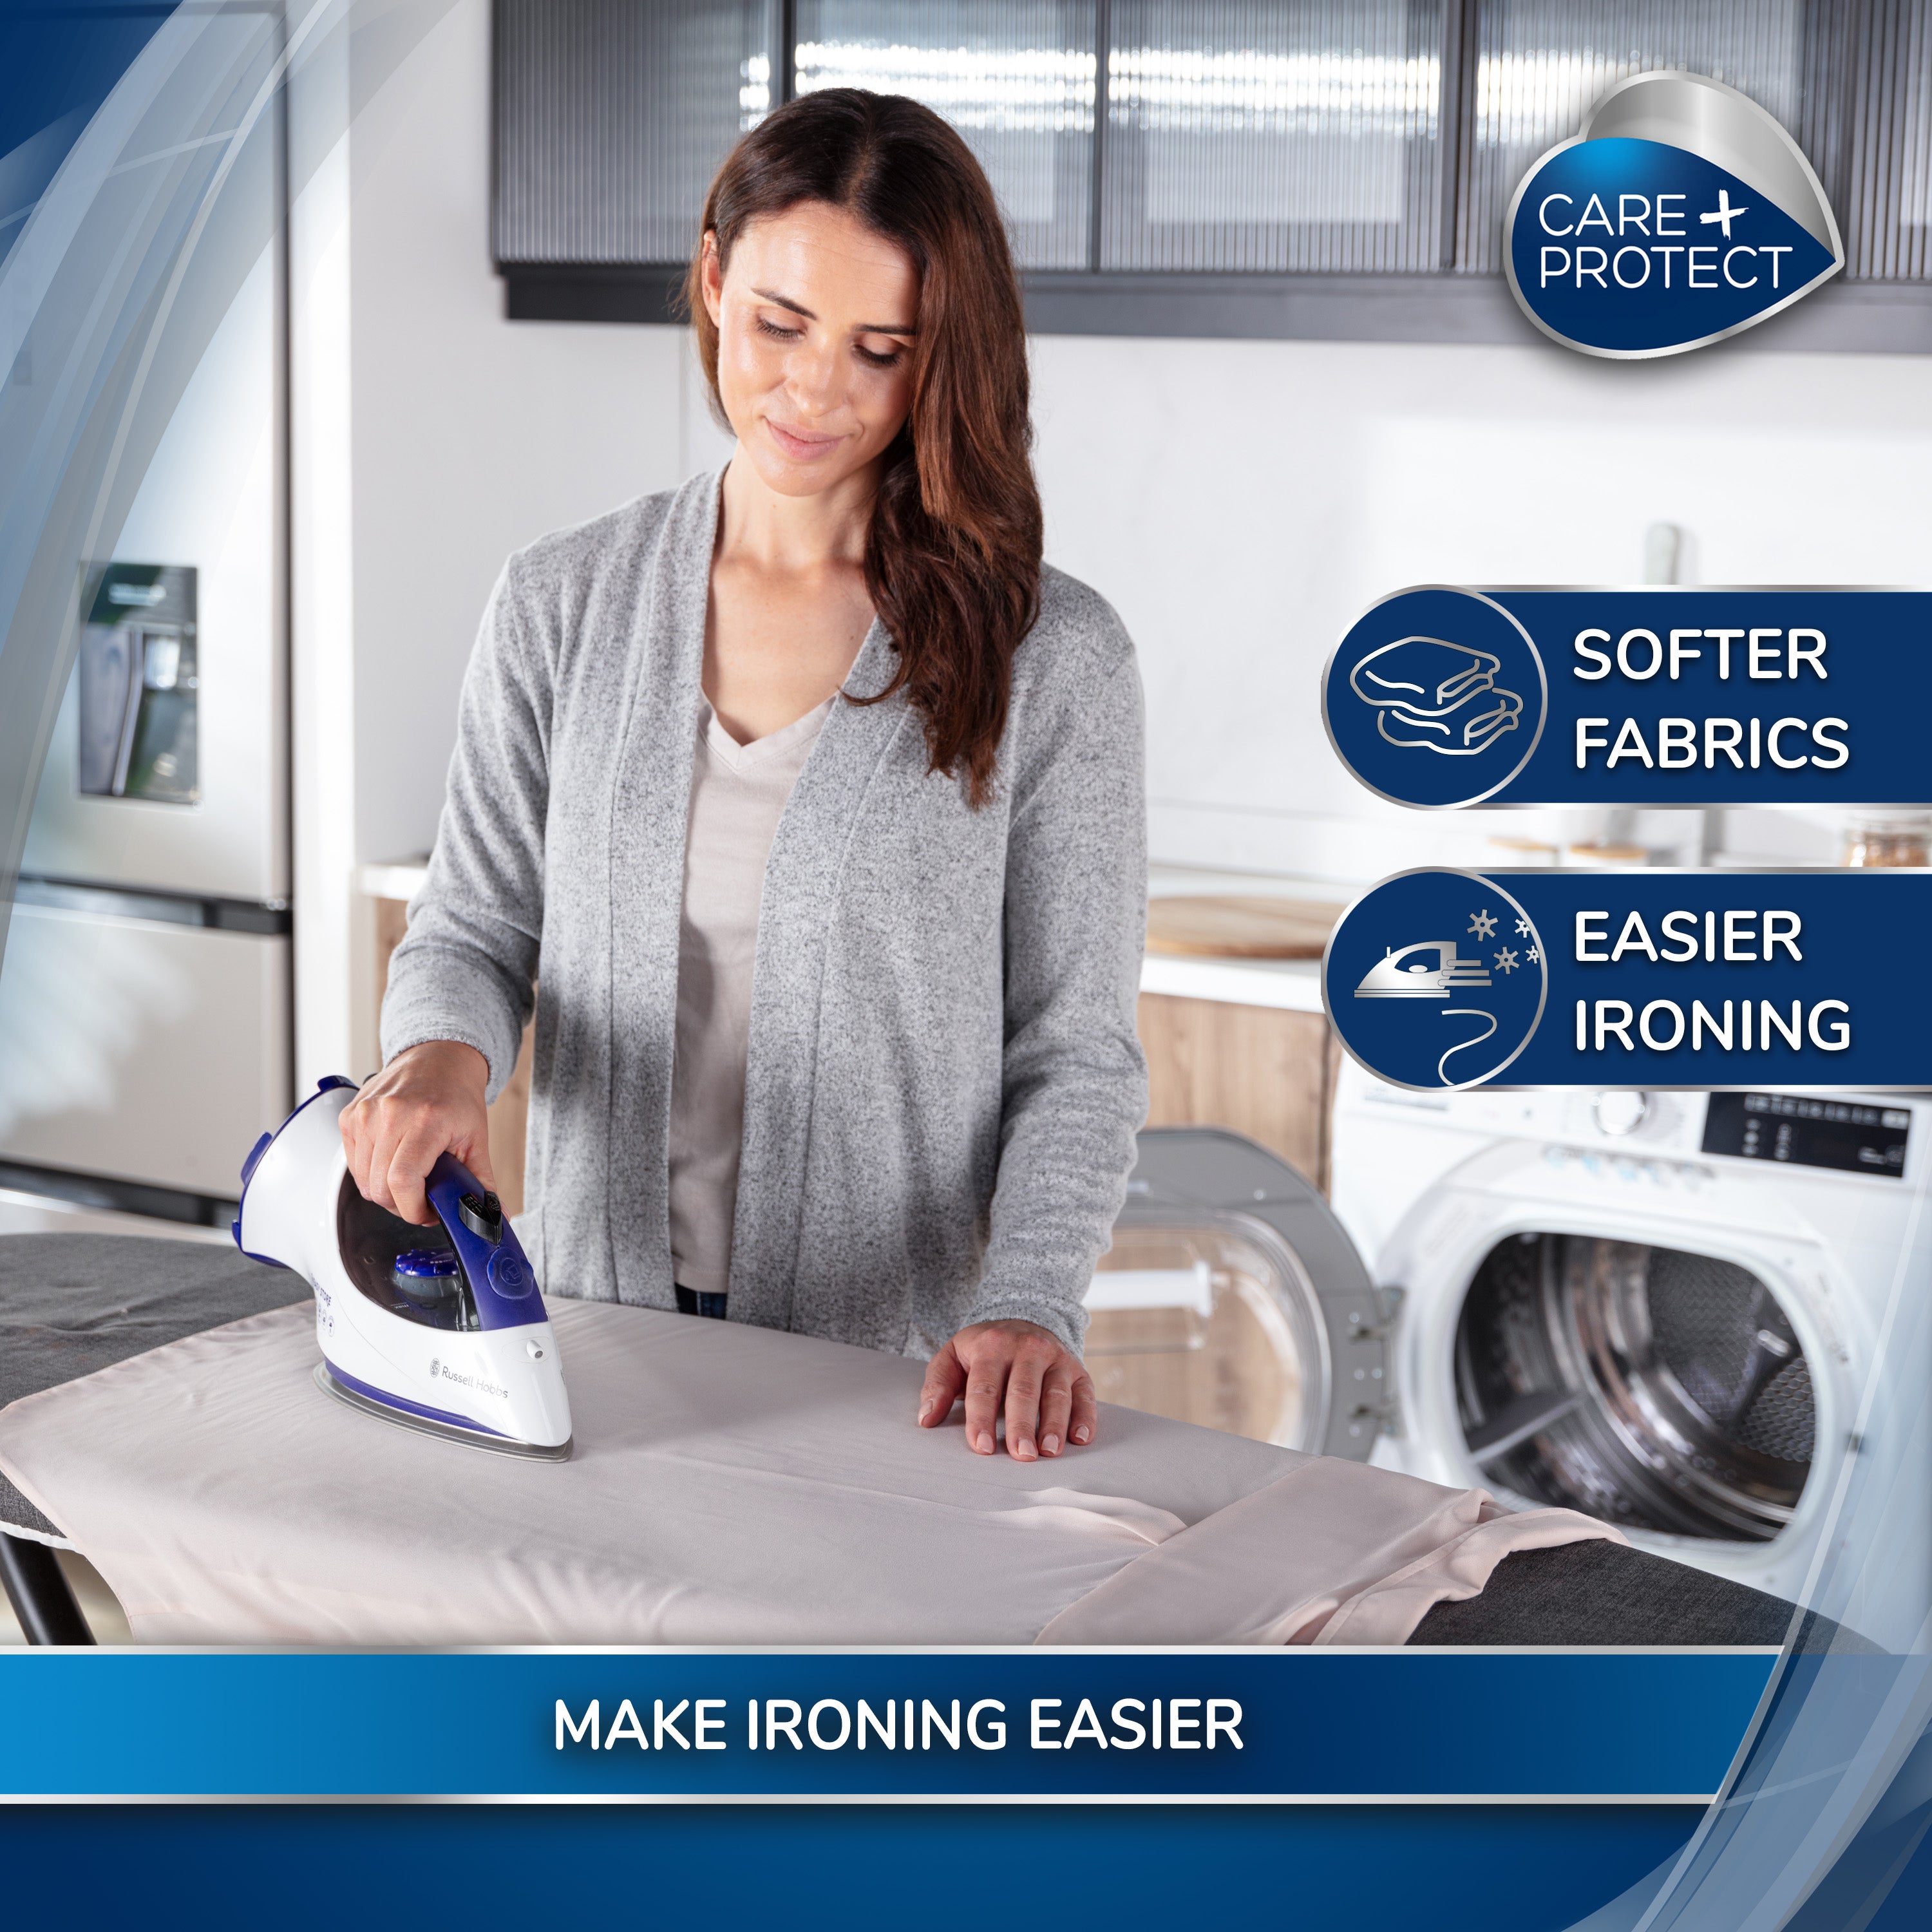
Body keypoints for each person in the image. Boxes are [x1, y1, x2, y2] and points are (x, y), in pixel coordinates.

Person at [343, 90, 1147, 1465]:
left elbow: (1073, 1054)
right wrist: (435, 1056)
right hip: (595, 1336)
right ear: (715, 278)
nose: (814, 391)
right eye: (780, 324)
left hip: (896, 1380)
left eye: (879, 350)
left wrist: (1029, 1299)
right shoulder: (563, 601)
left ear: (939, 357)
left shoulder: (1049, 654)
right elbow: (478, 926)